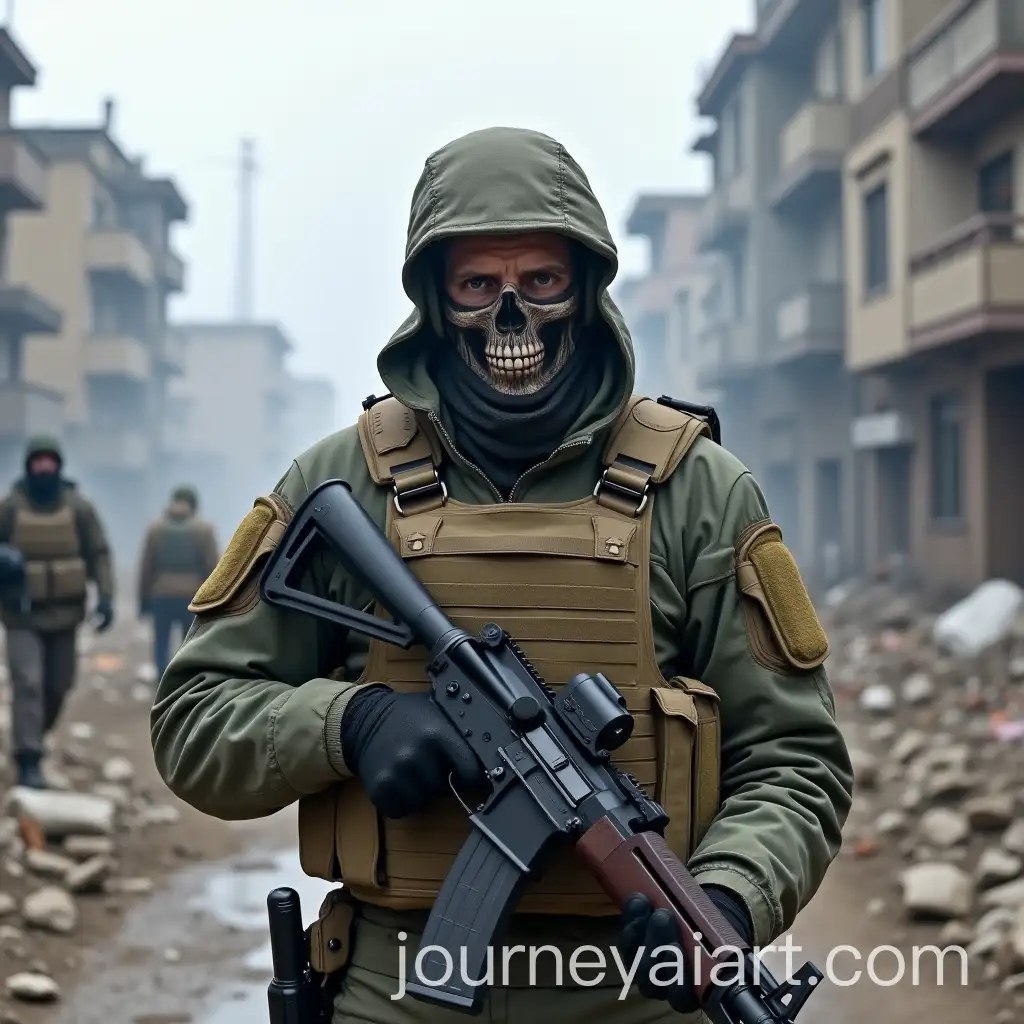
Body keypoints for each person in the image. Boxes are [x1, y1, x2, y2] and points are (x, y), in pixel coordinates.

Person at [151, 127, 853, 1023]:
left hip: (631, 1002)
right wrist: (347, 723)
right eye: (478, 286)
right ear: (434, 299)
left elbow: (796, 758)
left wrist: (726, 900)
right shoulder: (344, 481)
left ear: (587, 288)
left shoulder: (700, 491)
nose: (510, 315)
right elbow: (193, 721)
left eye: (542, 281)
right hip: (395, 992)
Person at [0, 435, 114, 788]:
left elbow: (98, 553)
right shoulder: (10, 508)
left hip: (65, 615)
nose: (44, 468)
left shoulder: (79, 508)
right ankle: (28, 759)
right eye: (38, 461)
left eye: (50, 461)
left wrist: (106, 596)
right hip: (21, 615)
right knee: (28, 683)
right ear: (29, 466)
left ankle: (34, 735)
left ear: (59, 466)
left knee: (59, 685)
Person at [137, 485, 218, 678]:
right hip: (192, 595)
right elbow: (213, 567)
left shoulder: (156, 528)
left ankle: (161, 680)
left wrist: (143, 600)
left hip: (161, 593)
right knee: (190, 644)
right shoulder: (203, 529)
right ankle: (184, 681)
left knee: (161, 643)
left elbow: (146, 567)